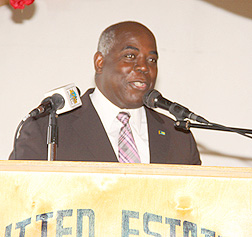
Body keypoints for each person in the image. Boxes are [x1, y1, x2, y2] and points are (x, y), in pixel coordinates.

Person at [9, 21, 201, 165]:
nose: (143, 67)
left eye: (152, 60)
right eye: (130, 56)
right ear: (100, 63)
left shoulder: (179, 137)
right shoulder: (47, 128)